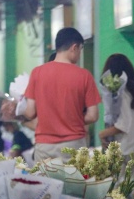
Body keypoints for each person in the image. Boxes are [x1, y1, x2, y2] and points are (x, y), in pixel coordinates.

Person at [22, 27, 101, 162]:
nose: (79, 54)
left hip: (44, 146)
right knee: (73, 183)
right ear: (74, 47)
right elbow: (93, 115)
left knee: (46, 183)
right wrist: (72, 119)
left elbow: (29, 112)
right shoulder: (84, 75)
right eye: (80, 50)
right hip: (74, 144)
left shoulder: (37, 73)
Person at [98, 53, 134, 166]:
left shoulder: (121, 93)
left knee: (126, 183)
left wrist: (102, 134)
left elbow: (123, 125)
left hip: (128, 149)